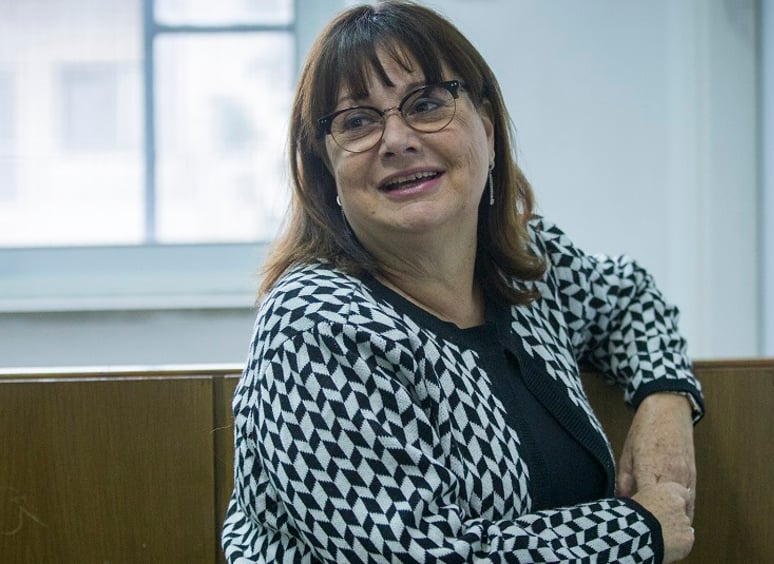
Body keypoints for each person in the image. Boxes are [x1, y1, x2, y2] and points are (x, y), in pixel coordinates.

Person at [222, 1, 704, 562]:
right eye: (357, 121)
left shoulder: (525, 263)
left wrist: (664, 403)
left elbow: (631, 300)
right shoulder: (313, 328)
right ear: (326, 170)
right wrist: (639, 531)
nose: (396, 139)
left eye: (427, 104)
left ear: (488, 132)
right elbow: (416, 555)